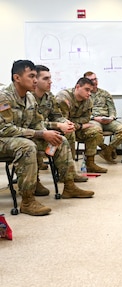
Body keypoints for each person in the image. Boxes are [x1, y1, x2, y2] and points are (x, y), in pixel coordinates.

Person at [0, 60, 94, 216]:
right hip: (4, 139)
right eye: (31, 76)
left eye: (36, 76)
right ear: (17, 78)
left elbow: (37, 122)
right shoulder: (4, 97)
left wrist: (47, 134)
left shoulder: (29, 97)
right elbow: (5, 129)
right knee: (27, 146)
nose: (35, 80)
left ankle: (69, 186)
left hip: (21, 137)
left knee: (59, 140)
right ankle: (27, 201)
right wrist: (41, 134)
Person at [33, 65, 89, 185]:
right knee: (58, 136)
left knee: (69, 132)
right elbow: (33, 123)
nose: (50, 81)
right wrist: (58, 125)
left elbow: (56, 115)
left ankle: (68, 173)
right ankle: (34, 180)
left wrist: (65, 122)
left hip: (46, 129)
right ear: (35, 80)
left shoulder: (49, 96)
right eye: (46, 78)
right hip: (33, 132)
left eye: (50, 78)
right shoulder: (28, 97)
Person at [56, 77, 108, 173]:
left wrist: (77, 124)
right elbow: (63, 122)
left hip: (76, 128)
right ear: (77, 87)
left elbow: (86, 119)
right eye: (87, 90)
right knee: (69, 131)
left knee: (95, 131)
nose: (89, 93)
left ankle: (90, 163)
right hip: (61, 130)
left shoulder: (88, 100)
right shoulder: (63, 98)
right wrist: (80, 125)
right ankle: (67, 169)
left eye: (90, 91)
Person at [84, 71, 122, 164]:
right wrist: (94, 118)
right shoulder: (84, 94)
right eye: (91, 80)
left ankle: (108, 150)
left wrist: (111, 117)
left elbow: (112, 109)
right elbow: (83, 113)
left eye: (95, 79)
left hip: (107, 120)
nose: (94, 81)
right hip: (93, 120)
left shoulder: (105, 93)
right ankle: (104, 148)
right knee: (95, 132)